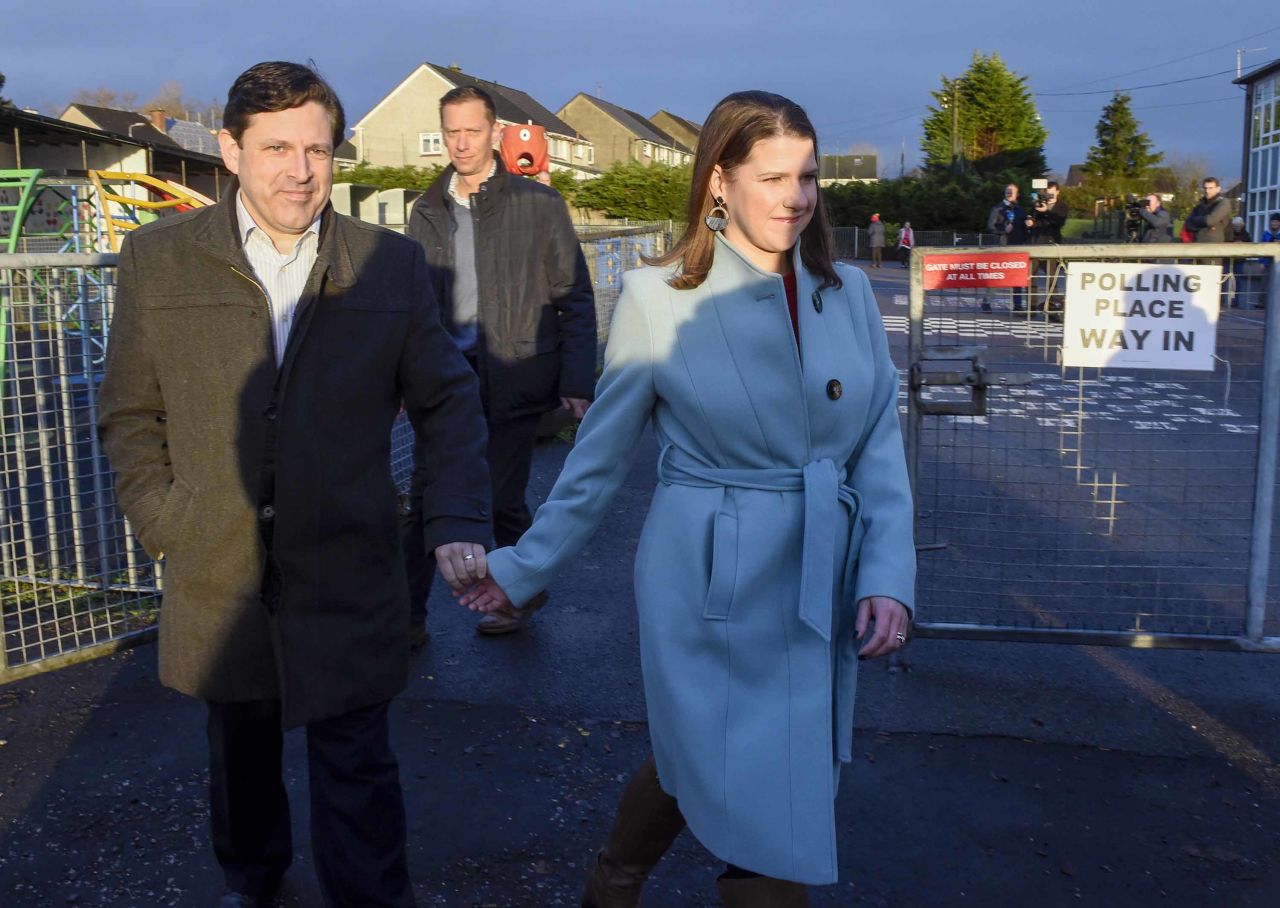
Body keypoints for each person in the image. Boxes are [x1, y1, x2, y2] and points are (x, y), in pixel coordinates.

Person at [457, 90, 916, 905]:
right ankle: (623, 874)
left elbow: (877, 449)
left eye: (807, 176)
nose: (797, 196)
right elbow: (595, 464)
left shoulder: (847, 295)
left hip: (818, 567)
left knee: (745, 766)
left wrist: (887, 575)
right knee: (725, 763)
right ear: (717, 183)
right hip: (707, 576)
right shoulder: (657, 297)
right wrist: (522, 568)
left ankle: (615, 875)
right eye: (773, 176)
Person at [98, 61, 492, 908]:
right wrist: (168, 521)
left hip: (348, 560)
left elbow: (448, 400)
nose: (301, 170)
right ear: (230, 151)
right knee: (239, 749)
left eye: (317, 149)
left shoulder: (386, 264)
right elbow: (130, 414)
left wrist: (455, 515)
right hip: (218, 567)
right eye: (276, 147)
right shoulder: (159, 260)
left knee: (357, 761)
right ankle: (255, 880)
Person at [402, 86, 596, 639]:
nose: (461, 143)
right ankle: (407, 620)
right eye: (451, 132)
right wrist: (399, 379)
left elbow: (574, 296)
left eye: (471, 131)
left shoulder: (538, 206)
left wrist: (577, 378)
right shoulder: (427, 209)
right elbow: (413, 303)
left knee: (503, 502)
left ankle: (520, 594)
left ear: (494, 133)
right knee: (423, 502)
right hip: (443, 381)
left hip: (513, 373)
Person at [1026, 182, 1069, 316]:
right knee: (1031, 277)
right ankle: (1031, 308)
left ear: (1057, 192)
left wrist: (1047, 212)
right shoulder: (1040, 203)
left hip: (1051, 245)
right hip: (1036, 244)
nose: (1049, 195)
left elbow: (1058, 222)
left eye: (1051, 192)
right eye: (1047, 192)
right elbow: (1033, 217)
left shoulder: (1062, 206)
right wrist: (1030, 220)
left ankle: (1052, 308)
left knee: (1052, 279)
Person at [985, 183, 1028, 311]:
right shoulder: (997, 208)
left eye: (1012, 192)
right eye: (1007, 192)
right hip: (1002, 246)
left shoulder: (1020, 209)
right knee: (998, 274)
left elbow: (1024, 227)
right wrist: (1003, 229)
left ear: (1017, 194)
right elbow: (990, 226)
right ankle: (987, 302)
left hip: (1017, 246)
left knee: (1017, 276)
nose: (1009, 194)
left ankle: (1018, 304)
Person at [1185, 176, 1232, 243]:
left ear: (1218, 189)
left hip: (1215, 246)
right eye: (1205, 188)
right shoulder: (1200, 205)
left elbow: (1210, 220)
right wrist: (1206, 226)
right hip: (1198, 245)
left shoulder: (1223, 203)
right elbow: (1188, 225)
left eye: (1210, 188)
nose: (1207, 191)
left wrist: (1195, 220)